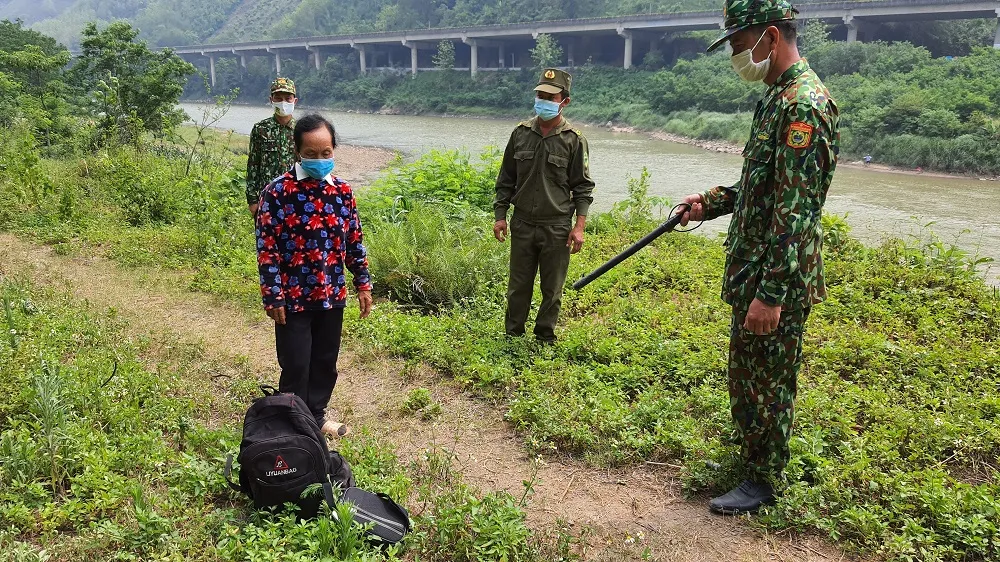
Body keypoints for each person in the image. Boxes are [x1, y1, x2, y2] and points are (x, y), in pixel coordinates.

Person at [677, 0, 840, 515]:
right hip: (755, 267)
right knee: (748, 374)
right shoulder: (775, 98)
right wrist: (712, 201)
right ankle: (754, 456)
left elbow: (796, 215)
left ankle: (764, 480)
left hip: (777, 278)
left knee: (767, 380)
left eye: (740, 43)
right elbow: (761, 187)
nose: (737, 55)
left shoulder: (803, 108)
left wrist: (770, 295)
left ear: (771, 36)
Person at [255, 113, 374, 438]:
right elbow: (267, 248)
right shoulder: (278, 193)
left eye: (325, 154)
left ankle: (316, 416)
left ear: (334, 150)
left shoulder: (343, 193)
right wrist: (273, 294)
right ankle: (292, 423)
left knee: (324, 363)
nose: (319, 160)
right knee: (296, 364)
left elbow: (354, 242)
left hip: (331, 295)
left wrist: (363, 283)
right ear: (297, 152)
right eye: (311, 154)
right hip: (292, 299)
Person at [493, 68, 595, 344]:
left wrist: (579, 227)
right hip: (523, 223)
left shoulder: (574, 140)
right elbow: (506, 179)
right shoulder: (520, 134)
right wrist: (500, 216)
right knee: (518, 286)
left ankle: (544, 338)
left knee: (552, 289)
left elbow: (583, 187)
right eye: (540, 94)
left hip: (557, 227)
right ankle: (513, 336)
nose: (543, 100)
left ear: (565, 101)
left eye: (551, 96)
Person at [246, 77, 298, 216]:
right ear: (271, 100)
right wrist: (252, 200)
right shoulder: (260, 129)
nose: (283, 102)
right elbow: (253, 165)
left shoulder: (302, 130)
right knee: (267, 237)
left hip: (296, 198)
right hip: (267, 198)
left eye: (288, 98)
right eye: (278, 98)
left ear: (295, 101)